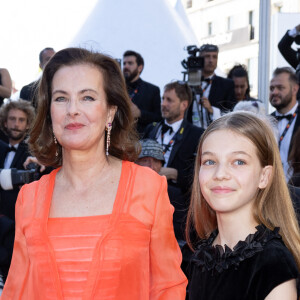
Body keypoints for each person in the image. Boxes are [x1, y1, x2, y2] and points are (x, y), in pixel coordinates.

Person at [2, 47, 187, 299]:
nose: (72, 110)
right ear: (49, 112)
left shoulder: (148, 188)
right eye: (61, 98)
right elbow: (16, 291)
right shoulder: (29, 198)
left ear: (110, 112)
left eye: (87, 97)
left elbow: (168, 288)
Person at [186, 112, 300, 300]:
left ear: (264, 176)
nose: (220, 173)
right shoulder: (203, 256)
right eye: (209, 161)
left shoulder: (272, 264)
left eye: (239, 162)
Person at [144, 81, 204, 241]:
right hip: (147, 208)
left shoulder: (197, 135)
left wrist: (174, 174)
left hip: (178, 214)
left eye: (169, 100)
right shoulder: (152, 129)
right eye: (163, 99)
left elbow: (200, 176)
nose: (163, 104)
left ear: (184, 104)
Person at [0, 100, 35, 220]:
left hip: (18, 221)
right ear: (5, 122)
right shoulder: (1, 149)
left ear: (28, 125)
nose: (16, 124)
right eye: (12, 119)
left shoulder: (33, 154)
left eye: (21, 120)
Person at [186, 44, 236, 129]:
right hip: (190, 133)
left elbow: (231, 114)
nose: (211, 60)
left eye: (214, 57)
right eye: (207, 56)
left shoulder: (227, 85)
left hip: (215, 132)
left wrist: (212, 110)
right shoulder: (188, 84)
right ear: (199, 59)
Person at [269, 67, 300, 180]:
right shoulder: (266, 121)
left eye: (280, 88)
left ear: (294, 89)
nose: (274, 92)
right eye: (272, 88)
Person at [123, 50, 162, 136]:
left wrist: (140, 113)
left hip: (142, 140)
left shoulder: (152, 90)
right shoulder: (117, 88)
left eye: (130, 63)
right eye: (124, 63)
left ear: (140, 68)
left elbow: (159, 118)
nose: (126, 66)